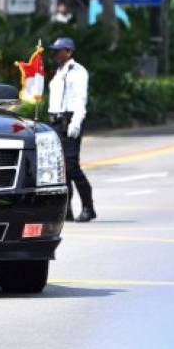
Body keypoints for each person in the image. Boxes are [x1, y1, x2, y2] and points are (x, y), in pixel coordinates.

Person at [48, 37, 96, 222]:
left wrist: (76, 122)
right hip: (56, 121)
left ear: (69, 51)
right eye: (54, 50)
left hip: (69, 120)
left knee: (72, 166)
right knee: (61, 169)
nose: (55, 54)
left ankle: (88, 207)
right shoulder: (58, 71)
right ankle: (66, 210)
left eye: (59, 50)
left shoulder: (78, 71)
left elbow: (80, 99)